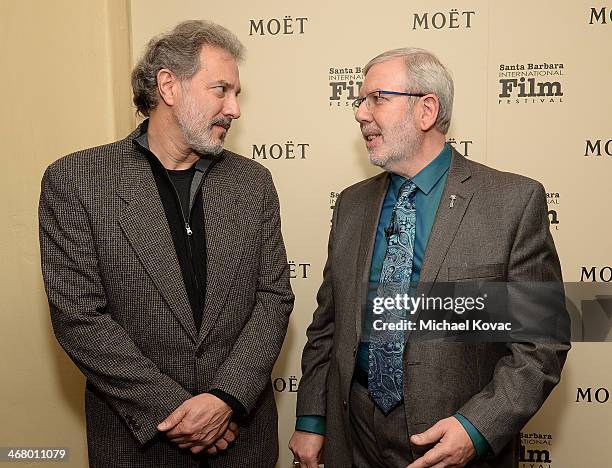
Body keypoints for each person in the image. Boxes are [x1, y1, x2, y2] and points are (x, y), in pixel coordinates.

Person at [289, 48, 569, 468]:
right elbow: (328, 325)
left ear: (426, 110)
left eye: (377, 99)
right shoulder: (351, 205)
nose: (360, 114)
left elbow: (541, 342)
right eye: (359, 101)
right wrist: (312, 418)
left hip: (452, 442)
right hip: (354, 437)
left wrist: (476, 428)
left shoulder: (513, 202)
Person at [39, 20, 293, 468]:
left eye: (237, 94)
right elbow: (79, 318)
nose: (234, 109)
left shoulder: (253, 183)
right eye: (221, 90)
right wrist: (179, 414)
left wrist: (225, 398)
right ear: (168, 86)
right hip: (140, 445)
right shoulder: (77, 181)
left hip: (242, 442)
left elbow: (273, 298)